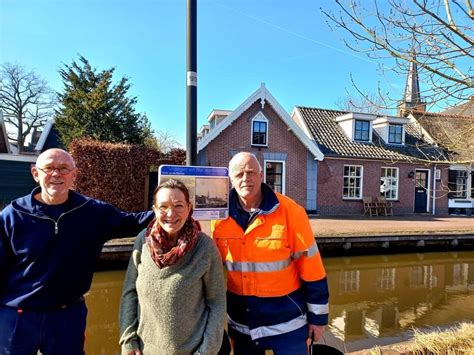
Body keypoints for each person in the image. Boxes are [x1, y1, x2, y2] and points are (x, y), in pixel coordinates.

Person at [0, 148, 154, 355]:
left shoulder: (92, 212)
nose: (56, 174)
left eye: (64, 168)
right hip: (18, 316)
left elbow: (134, 222)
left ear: (74, 174)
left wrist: (171, 210)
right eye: (49, 168)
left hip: (67, 316)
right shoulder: (12, 215)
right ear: (35, 173)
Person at [211, 152, 329, 355]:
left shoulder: (291, 212)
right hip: (242, 325)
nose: (245, 178)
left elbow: (312, 269)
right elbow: (211, 267)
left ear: (261, 175)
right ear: (230, 179)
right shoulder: (218, 216)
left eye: (251, 172)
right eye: (239, 174)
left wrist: (318, 319)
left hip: (287, 324)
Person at [119, 179, 226, 355]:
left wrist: (206, 351)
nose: (171, 213)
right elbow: (130, 293)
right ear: (154, 209)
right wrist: (128, 341)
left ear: (189, 208)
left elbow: (217, 303)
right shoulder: (142, 242)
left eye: (178, 205)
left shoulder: (205, 248)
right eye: (163, 206)